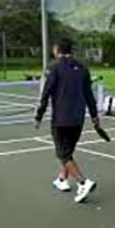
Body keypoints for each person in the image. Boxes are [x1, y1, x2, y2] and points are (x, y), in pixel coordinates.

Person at [35, 38, 100, 203]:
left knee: (62, 153)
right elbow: (89, 95)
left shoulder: (53, 67)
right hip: (78, 119)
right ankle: (62, 180)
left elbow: (46, 93)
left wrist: (39, 116)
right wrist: (94, 116)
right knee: (68, 152)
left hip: (61, 120)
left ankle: (83, 182)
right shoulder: (83, 68)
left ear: (57, 49)